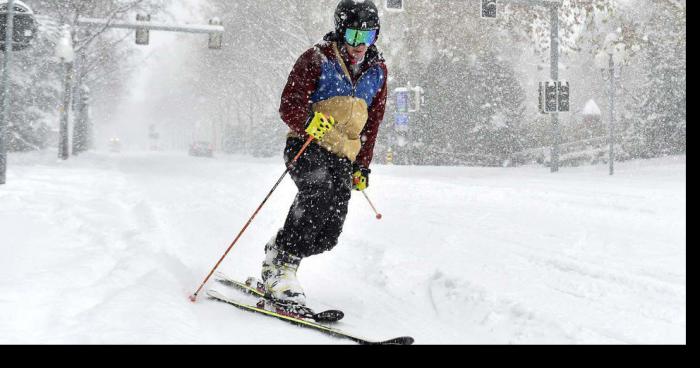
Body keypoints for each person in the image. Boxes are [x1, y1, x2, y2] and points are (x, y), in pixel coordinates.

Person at [260, 0, 388, 307]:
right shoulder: (317, 58)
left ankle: (278, 249)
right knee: (318, 189)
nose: (359, 45)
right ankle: (282, 269)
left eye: (367, 37)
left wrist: (363, 166)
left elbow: (372, 124)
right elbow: (289, 104)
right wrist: (307, 121)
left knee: (328, 233)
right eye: (354, 36)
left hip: (343, 155)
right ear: (341, 32)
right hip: (307, 145)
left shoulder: (377, 71)